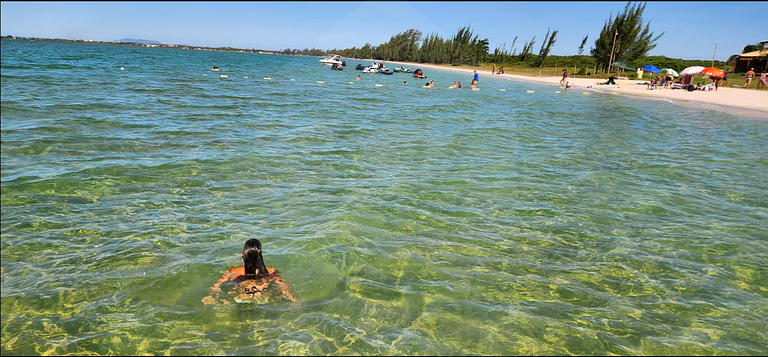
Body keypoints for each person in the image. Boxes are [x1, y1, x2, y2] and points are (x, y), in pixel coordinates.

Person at [202, 239, 297, 305]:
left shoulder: (234, 271)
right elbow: (284, 288)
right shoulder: (271, 271)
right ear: (262, 254)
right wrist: (294, 301)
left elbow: (216, 286)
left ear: (242, 255)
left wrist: (210, 296)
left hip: (240, 300)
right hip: (263, 300)